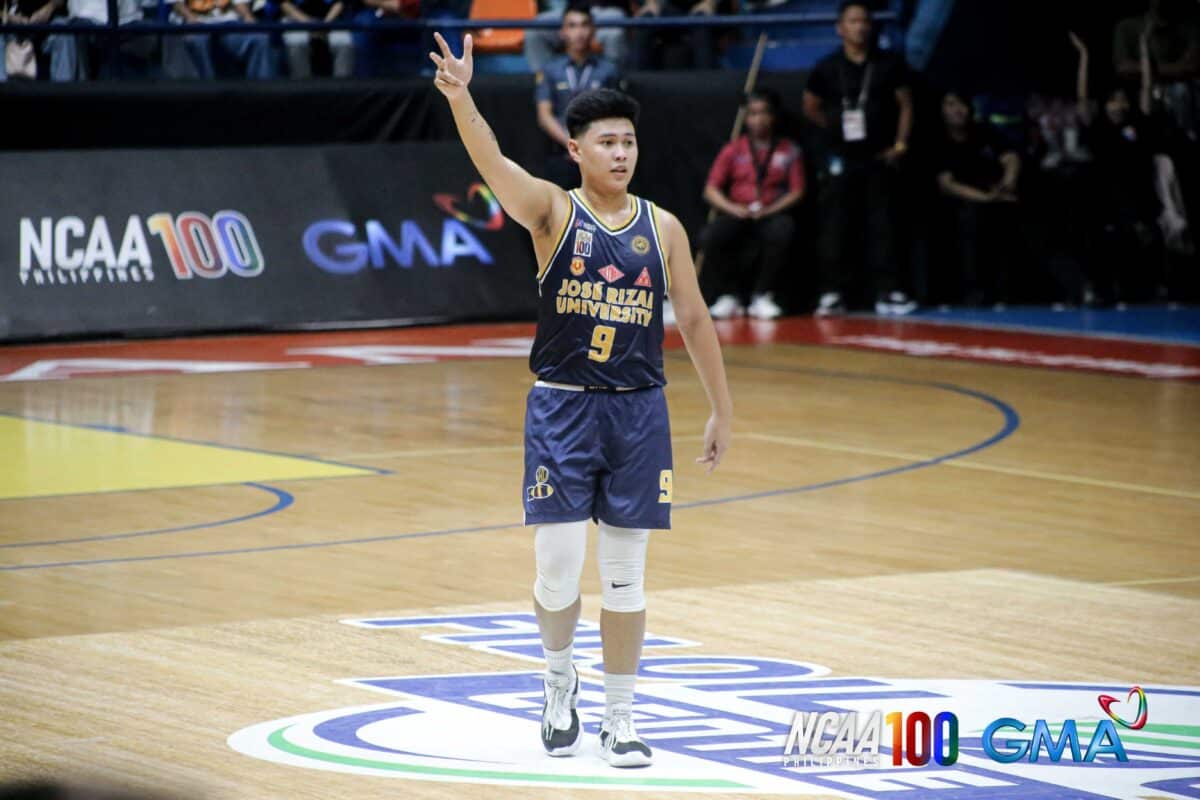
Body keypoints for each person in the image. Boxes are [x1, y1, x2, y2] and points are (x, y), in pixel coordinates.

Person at [430, 33, 732, 767]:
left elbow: (691, 317)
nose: (622, 154)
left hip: (638, 410)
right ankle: (558, 677)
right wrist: (462, 96)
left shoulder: (663, 228)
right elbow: (494, 163)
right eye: (607, 142)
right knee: (559, 569)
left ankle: (620, 718)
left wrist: (722, 406)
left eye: (629, 142)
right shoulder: (553, 213)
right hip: (564, 407)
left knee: (627, 577)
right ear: (577, 150)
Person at [802, 0, 916, 316]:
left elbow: (905, 104)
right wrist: (834, 129)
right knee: (836, 225)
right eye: (853, 21)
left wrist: (901, 144)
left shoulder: (889, 64)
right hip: (841, 156)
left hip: (879, 155)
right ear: (840, 28)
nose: (860, 27)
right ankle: (833, 291)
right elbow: (810, 105)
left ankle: (888, 291)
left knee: (883, 224)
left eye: (865, 21)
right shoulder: (827, 66)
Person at [699, 88, 804, 320]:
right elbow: (711, 189)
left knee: (784, 230)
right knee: (711, 235)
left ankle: (762, 295)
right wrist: (733, 208)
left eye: (764, 112)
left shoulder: (789, 150)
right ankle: (729, 295)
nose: (759, 119)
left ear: (774, 116)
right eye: (753, 113)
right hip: (739, 211)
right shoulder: (733, 149)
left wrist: (770, 210)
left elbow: (797, 191)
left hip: (771, 212)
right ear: (746, 118)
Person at [934, 89, 1022, 307]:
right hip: (958, 201)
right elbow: (946, 184)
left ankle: (1009, 292)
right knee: (970, 218)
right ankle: (973, 293)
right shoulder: (937, 139)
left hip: (993, 195)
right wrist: (985, 198)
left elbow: (1011, 156)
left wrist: (1009, 182)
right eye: (951, 104)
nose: (958, 110)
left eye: (962, 104)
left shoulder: (983, 132)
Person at [535, 2, 620, 189]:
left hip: (598, 158)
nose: (579, 32)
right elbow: (544, 115)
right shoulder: (551, 70)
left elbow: (614, 116)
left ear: (593, 30)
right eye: (572, 25)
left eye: (584, 25)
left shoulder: (608, 70)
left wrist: (590, 145)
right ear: (563, 32)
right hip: (561, 156)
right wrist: (571, 144)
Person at [165, 0, 277, 78]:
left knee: (259, 39)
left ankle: (259, 94)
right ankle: (207, 92)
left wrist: (248, 17)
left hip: (229, 22)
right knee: (197, 41)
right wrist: (190, 19)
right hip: (195, 21)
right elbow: (176, 4)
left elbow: (239, 3)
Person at [525, 0, 628, 72]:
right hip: (572, 10)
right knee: (535, 28)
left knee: (615, 29)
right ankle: (545, 81)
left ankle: (613, 78)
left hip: (606, 11)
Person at [279, 0, 352, 77]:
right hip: (296, 19)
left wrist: (325, 25)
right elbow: (284, 4)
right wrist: (311, 25)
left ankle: (341, 86)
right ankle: (301, 85)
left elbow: (340, 3)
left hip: (331, 19)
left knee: (344, 42)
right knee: (297, 42)